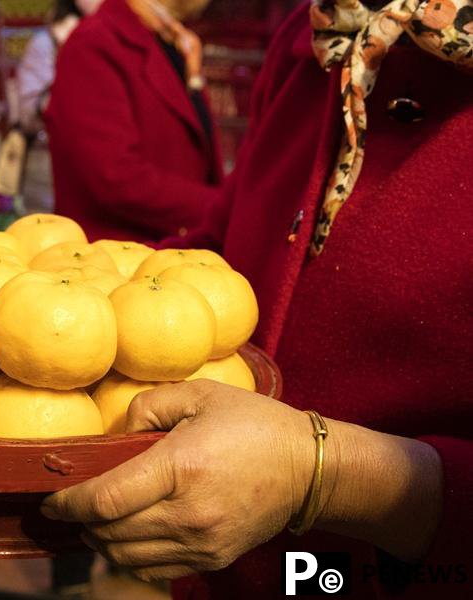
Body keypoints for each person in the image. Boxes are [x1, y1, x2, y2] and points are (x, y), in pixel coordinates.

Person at [41, 1, 473, 598]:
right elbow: (228, 229)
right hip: (223, 567)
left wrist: (320, 475)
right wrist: (79, 295)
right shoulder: (314, 29)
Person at [45, 0, 222, 243]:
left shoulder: (172, 38)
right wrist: (222, 206)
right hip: (119, 262)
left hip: (178, 253)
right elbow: (115, 176)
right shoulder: (94, 42)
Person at [14, 0, 104, 214]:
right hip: (52, 163)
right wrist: (69, 56)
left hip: (106, 166)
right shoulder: (47, 43)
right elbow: (28, 113)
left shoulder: (124, 41)